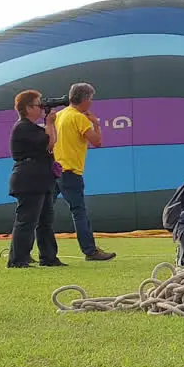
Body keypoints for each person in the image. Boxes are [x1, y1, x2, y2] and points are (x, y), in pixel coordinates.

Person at [53, 83, 115, 261]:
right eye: (91, 99)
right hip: (71, 171)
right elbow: (97, 142)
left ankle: (39, 251)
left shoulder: (59, 115)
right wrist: (96, 124)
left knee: (43, 212)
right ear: (86, 99)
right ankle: (90, 250)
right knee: (79, 212)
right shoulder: (79, 118)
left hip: (56, 170)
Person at [6, 90, 66, 268]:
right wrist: (49, 122)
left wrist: (49, 123)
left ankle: (48, 257)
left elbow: (51, 143)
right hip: (28, 178)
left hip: (42, 177)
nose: (42, 108)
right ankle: (18, 259)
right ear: (28, 108)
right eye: (38, 105)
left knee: (45, 220)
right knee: (27, 220)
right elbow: (49, 142)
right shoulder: (23, 127)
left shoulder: (33, 128)